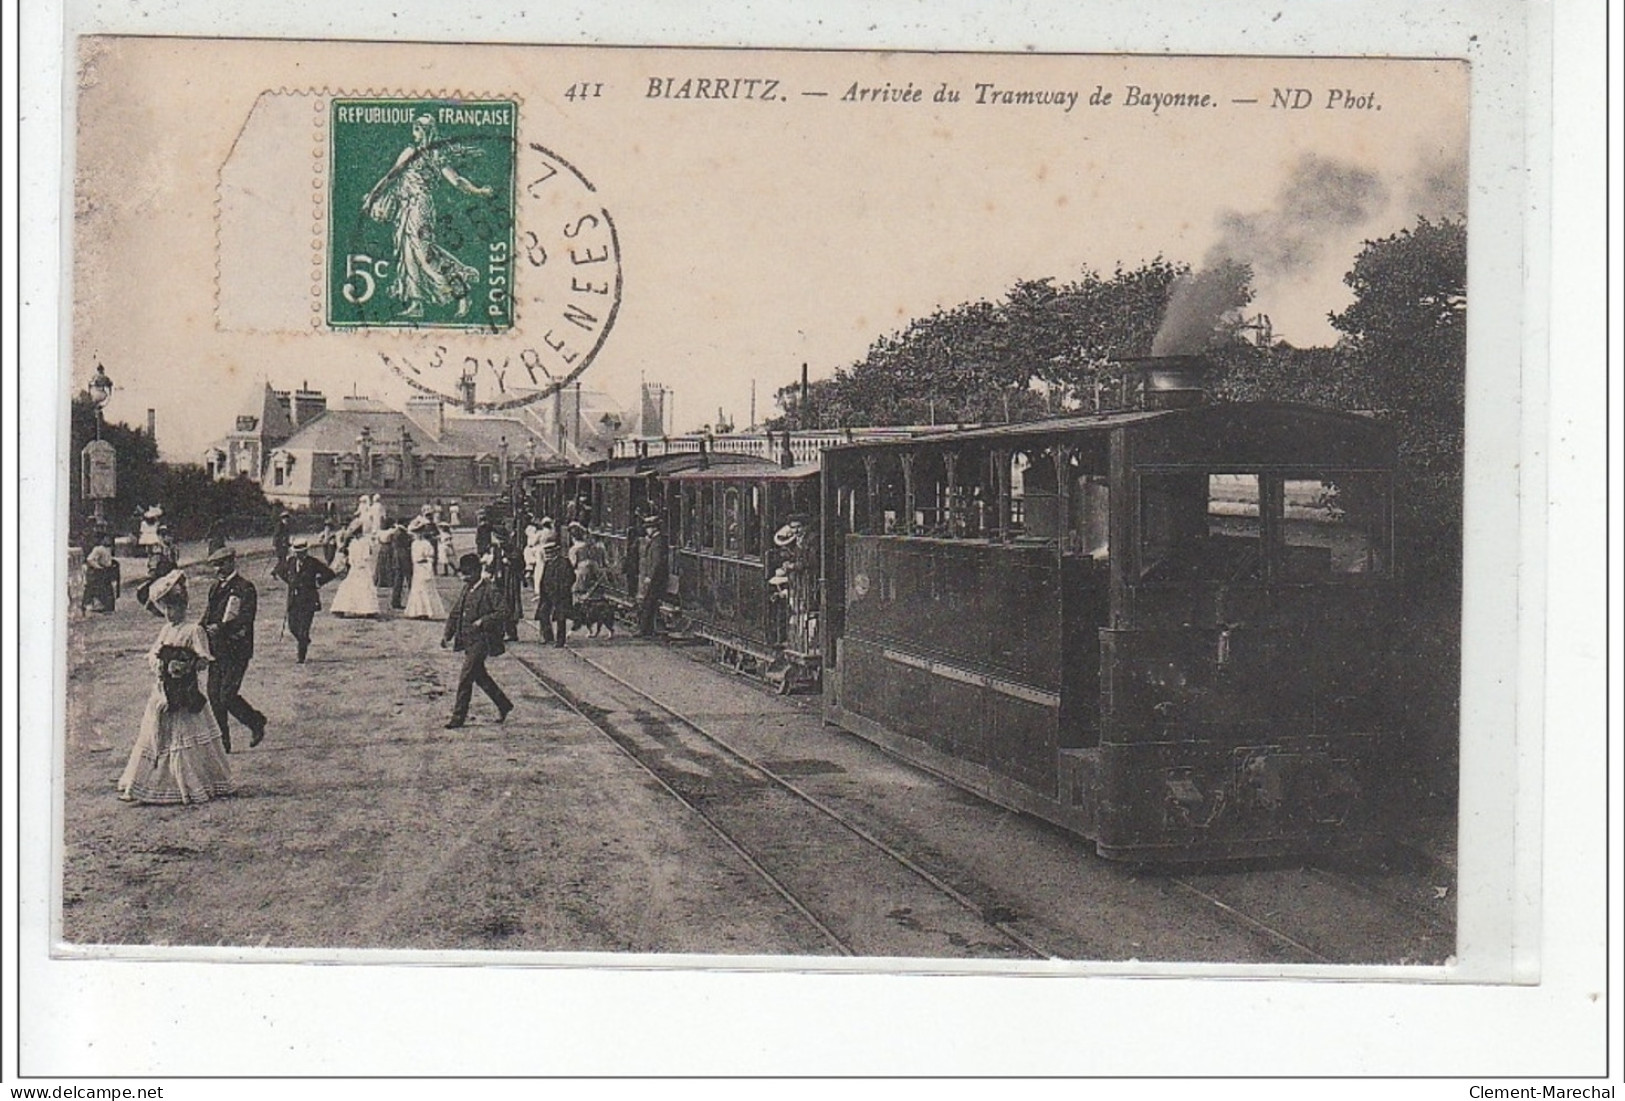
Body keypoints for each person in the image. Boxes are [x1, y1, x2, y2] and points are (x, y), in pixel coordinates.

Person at [360, 113, 494, 320]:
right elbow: (393, 176)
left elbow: (455, 180)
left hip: (419, 208)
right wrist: (478, 191)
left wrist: (478, 192)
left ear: (426, 132)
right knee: (408, 254)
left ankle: (462, 292)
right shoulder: (430, 154)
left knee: (423, 253)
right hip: (406, 208)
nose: (413, 134)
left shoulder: (422, 154)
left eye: (417, 130)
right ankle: (417, 304)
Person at [117, 571, 235, 804]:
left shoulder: (194, 630)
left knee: (184, 738)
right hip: (163, 690)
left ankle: (191, 784)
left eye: (176, 609)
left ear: (184, 608)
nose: (171, 614)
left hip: (185, 692)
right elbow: (152, 653)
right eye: (167, 609)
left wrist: (186, 665)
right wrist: (161, 663)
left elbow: (204, 660)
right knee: (156, 734)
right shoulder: (166, 630)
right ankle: (146, 785)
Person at [200, 546, 266, 753]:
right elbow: (208, 615)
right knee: (213, 696)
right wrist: (198, 630)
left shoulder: (245, 587)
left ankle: (255, 722)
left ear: (231, 563)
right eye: (215, 566)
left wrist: (221, 628)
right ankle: (223, 743)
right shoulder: (214, 588)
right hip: (216, 650)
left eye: (221, 564)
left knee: (227, 695)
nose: (218, 569)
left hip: (237, 651)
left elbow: (246, 618)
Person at [442, 553, 513, 729]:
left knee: (466, 677)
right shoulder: (467, 588)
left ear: (477, 572)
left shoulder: (490, 589)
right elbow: (455, 612)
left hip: (482, 641)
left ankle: (458, 718)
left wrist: (483, 621)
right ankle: (503, 704)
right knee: (480, 677)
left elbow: (504, 611)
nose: (463, 577)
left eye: (467, 574)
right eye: (462, 574)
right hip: (467, 640)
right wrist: (447, 634)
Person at [273, 538, 337, 663]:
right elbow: (280, 570)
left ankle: (301, 657)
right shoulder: (291, 561)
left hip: (308, 601)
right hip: (293, 600)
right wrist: (290, 582)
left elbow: (330, 573)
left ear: (306, 551)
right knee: (292, 627)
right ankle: (304, 640)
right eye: (297, 552)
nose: (299, 554)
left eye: (302, 552)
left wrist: (318, 582)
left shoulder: (313, 563)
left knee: (303, 629)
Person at [328, 525, 380, 618]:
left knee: (350, 587)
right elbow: (366, 556)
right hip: (362, 568)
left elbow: (350, 558)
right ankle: (368, 610)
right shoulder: (364, 543)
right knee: (364, 588)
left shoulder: (353, 543)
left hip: (355, 568)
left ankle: (341, 608)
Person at [635, 513, 669, 637]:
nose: (646, 530)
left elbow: (657, 561)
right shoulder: (656, 540)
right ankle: (647, 629)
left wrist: (650, 576)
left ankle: (644, 630)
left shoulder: (657, 542)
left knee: (648, 602)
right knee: (648, 602)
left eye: (648, 528)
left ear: (654, 528)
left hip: (655, 579)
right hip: (654, 577)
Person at [535, 539, 573, 646]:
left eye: (550, 553)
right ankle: (548, 636)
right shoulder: (548, 563)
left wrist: (564, 588)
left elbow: (571, 577)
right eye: (547, 553)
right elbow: (544, 578)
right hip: (547, 594)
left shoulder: (564, 562)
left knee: (561, 617)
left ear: (556, 552)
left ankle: (560, 641)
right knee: (543, 613)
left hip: (560, 594)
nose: (548, 555)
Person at [403, 525, 446, 620]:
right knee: (417, 588)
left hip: (424, 567)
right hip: (417, 568)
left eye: (419, 533)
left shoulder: (426, 544)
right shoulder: (414, 543)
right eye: (415, 533)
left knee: (426, 588)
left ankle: (427, 611)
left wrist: (427, 563)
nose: (417, 535)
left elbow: (430, 556)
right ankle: (417, 611)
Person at [571, 542, 613, 637]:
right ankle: (593, 630)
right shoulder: (594, 566)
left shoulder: (584, 567)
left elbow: (579, 586)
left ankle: (592, 629)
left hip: (590, 596)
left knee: (589, 614)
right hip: (591, 595)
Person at [81, 534, 120, 615]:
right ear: (102, 540)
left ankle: (108, 607)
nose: (108, 540)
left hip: (107, 570)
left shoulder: (108, 549)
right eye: (106, 539)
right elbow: (90, 559)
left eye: (109, 539)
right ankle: (95, 606)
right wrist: (98, 567)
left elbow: (107, 560)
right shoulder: (98, 549)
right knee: (98, 589)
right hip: (100, 572)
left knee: (108, 589)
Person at [389, 519, 415, 610]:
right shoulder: (402, 533)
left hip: (397, 559)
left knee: (398, 581)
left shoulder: (397, 532)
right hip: (404, 559)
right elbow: (406, 545)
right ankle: (412, 602)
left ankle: (395, 601)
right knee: (408, 580)